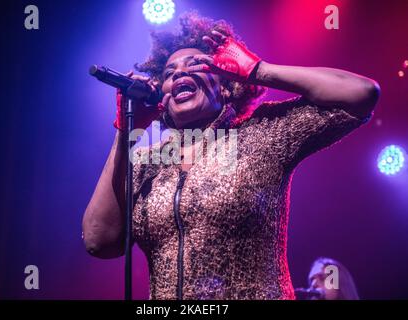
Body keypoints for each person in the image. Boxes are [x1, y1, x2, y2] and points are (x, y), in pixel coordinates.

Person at [82, 12, 380, 300]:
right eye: (169, 74)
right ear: (162, 98)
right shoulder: (146, 163)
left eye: (195, 66)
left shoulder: (262, 133)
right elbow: (99, 241)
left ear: (226, 87)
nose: (179, 74)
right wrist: (124, 132)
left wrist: (259, 70)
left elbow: (361, 94)